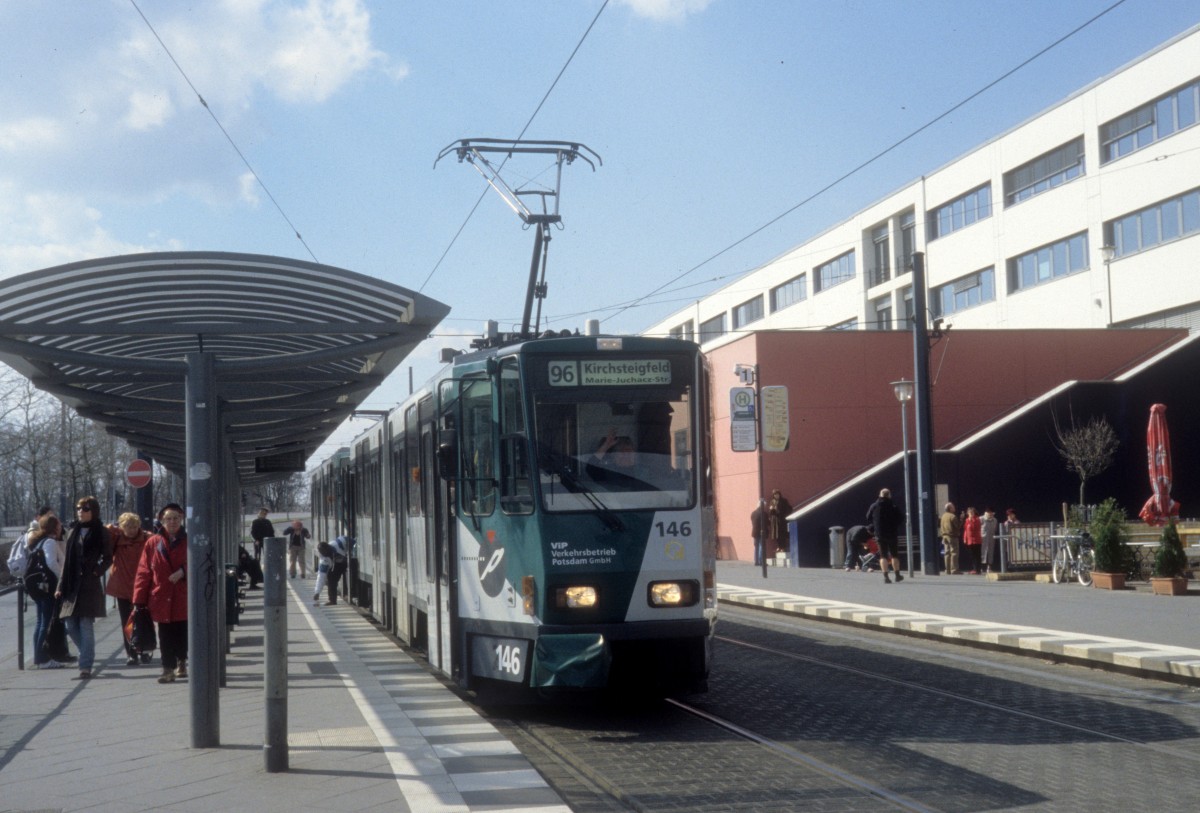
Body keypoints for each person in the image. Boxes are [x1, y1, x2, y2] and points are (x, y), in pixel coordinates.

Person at [55, 496, 113, 680]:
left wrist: (97, 571)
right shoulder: (73, 531)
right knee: (70, 625)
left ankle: (85, 666)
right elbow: (66, 561)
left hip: (89, 584)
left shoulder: (101, 531)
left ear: (93, 511)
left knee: (85, 624)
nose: (81, 511)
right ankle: (86, 652)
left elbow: (108, 557)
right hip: (71, 583)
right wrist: (59, 585)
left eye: (85, 508)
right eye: (79, 508)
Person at [133, 504, 189, 684]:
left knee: (182, 632)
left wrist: (184, 571)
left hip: (182, 595)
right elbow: (144, 571)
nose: (172, 522)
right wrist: (139, 599)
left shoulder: (190, 540)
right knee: (165, 635)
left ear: (181, 519)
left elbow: (200, 563)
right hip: (161, 595)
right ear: (162, 521)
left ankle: (182, 660)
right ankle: (167, 669)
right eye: (168, 519)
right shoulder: (153, 543)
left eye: (176, 518)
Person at [105, 512, 151, 666]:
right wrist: (113, 528)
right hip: (123, 586)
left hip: (142, 585)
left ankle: (145, 649)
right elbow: (105, 532)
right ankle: (131, 653)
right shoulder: (117, 539)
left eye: (134, 526)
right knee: (126, 621)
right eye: (127, 527)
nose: (131, 530)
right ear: (121, 527)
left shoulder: (147, 538)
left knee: (144, 619)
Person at [22, 514, 65, 669]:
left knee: (40, 622)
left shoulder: (37, 542)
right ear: (54, 527)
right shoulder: (50, 542)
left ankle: (39, 657)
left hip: (37, 587)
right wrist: (62, 577)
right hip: (47, 587)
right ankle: (42, 659)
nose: (61, 527)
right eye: (59, 525)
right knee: (45, 623)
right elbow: (52, 562)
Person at [585, 429, 656, 491]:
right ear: (613, 456)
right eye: (621, 451)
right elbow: (590, 468)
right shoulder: (608, 471)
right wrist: (606, 446)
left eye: (629, 451)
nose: (626, 455)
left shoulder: (643, 473)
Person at [866, 488, 904, 583]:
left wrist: (876, 522)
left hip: (880, 534)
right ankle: (897, 575)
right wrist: (894, 524)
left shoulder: (874, 506)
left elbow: (868, 517)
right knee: (894, 555)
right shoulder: (893, 506)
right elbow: (901, 518)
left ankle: (886, 577)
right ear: (889, 495)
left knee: (883, 556)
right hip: (892, 533)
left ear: (880, 495)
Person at [767, 489, 792, 560]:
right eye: (775, 494)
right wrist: (771, 509)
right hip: (775, 521)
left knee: (782, 534)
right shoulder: (772, 502)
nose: (776, 496)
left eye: (777, 494)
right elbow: (771, 512)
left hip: (782, 520)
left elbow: (789, 509)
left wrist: (780, 512)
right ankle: (779, 547)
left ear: (779, 494)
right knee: (776, 534)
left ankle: (783, 547)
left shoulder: (783, 501)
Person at [940, 502, 962, 575]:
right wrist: (961, 519)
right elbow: (957, 526)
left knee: (947, 553)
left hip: (944, 536)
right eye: (953, 507)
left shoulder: (943, 516)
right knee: (954, 552)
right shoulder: (953, 516)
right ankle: (954, 569)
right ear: (950, 508)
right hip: (952, 536)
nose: (954, 508)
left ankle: (947, 569)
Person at [961, 506, 982, 574]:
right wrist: (965, 538)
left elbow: (975, 528)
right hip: (970, 540)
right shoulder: (967, 520)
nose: (971, 514)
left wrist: (971, 520)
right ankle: (974, 568)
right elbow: (965, 530)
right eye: (969, 513)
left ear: (974, 513)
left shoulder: (977, 519)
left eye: (972, 512)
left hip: (976, 540)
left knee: (977, 555)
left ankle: (977, 569)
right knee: (973, 555)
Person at [980, 507, 1000, 574]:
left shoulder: (995, 520)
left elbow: (995, 529)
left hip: (991, 539)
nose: (990, 514)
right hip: (982, 539)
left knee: (990, 553)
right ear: (986, 513)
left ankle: (989, 567)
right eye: (989, 512)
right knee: (982, 552)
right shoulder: (981, 519)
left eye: (991, 513)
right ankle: (981, 568)